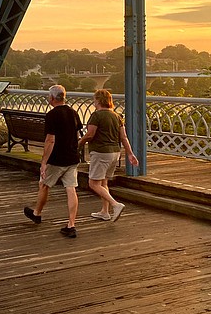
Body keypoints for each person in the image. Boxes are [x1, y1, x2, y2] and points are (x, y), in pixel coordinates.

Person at [24, 84, 83, 238]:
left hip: (57, 158)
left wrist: (44, 162)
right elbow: (77, 136)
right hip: (72, 157)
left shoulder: (51, 115)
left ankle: (37, 213)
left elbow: (50, 140)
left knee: (44, 184)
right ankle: (71, 224)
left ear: (51, 98)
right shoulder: (73, 112)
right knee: (71, 188)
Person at [77, 89, 139, 222]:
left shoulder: (97, 115)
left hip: (101, 153)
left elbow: (90, 134)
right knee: (103, 182)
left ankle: (115, 204)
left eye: (94, 100)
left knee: (93, 183)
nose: (94, 102)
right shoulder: (117, 116)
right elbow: (123, 137)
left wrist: (78, 144)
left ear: (98, 100)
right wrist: (130, 154)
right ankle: (104, 212)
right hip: (114, 153)